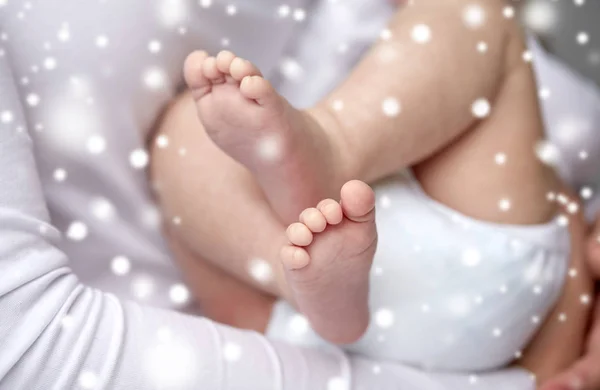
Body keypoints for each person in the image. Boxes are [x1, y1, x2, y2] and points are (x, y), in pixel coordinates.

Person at [0, 0, 598, 389]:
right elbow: (28, 346)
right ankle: (331, 155)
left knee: (181, 136)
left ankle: (303, 263)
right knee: (474, 14)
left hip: (286, 321)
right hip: (497, 267)